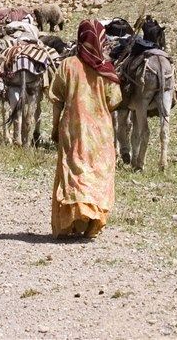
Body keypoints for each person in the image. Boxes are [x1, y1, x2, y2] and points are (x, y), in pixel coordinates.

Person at [49, 19, 122, 239]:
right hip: (100, 132)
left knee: (75, 171)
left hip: (73, 129)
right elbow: (114, 101)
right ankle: (93, 223)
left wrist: (54, 126)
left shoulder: (68, 65)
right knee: (97, 172)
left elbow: (57, 99)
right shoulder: (107, 71)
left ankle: (74, 219)